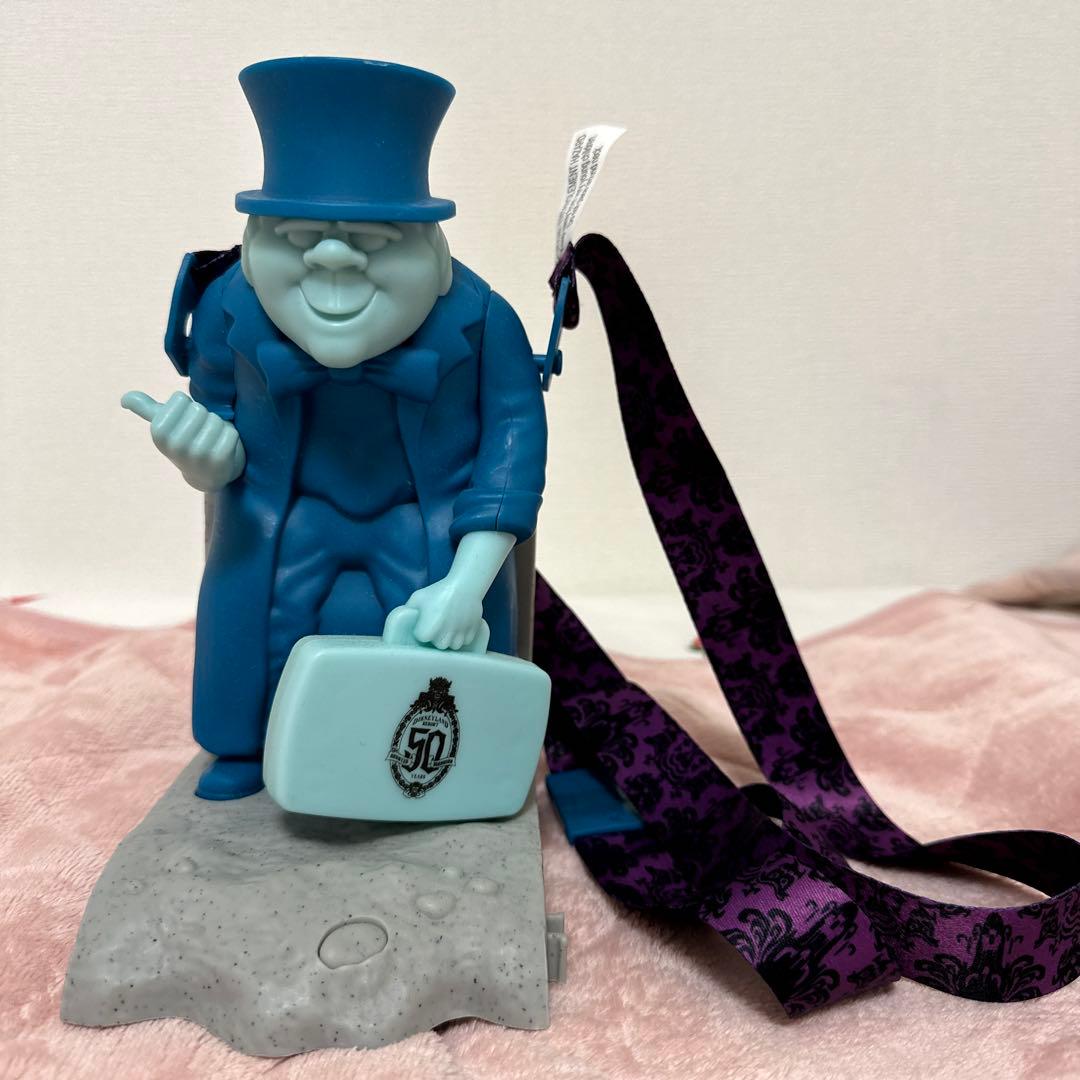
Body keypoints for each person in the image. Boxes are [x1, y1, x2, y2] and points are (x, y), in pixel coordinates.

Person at [123, 56, 547, 800]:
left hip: (430, 519)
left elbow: (510, 461)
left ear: (433, 250)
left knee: (436, 655)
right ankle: (246, 742)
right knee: (256, 616)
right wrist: (202, 457)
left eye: (374, 240)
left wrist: (467, 582)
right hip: (281, 513)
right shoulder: (226, 306)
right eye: (295, 235)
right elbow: (217, 410)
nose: (331, 258)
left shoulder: (486, 322)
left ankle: (441, 771)